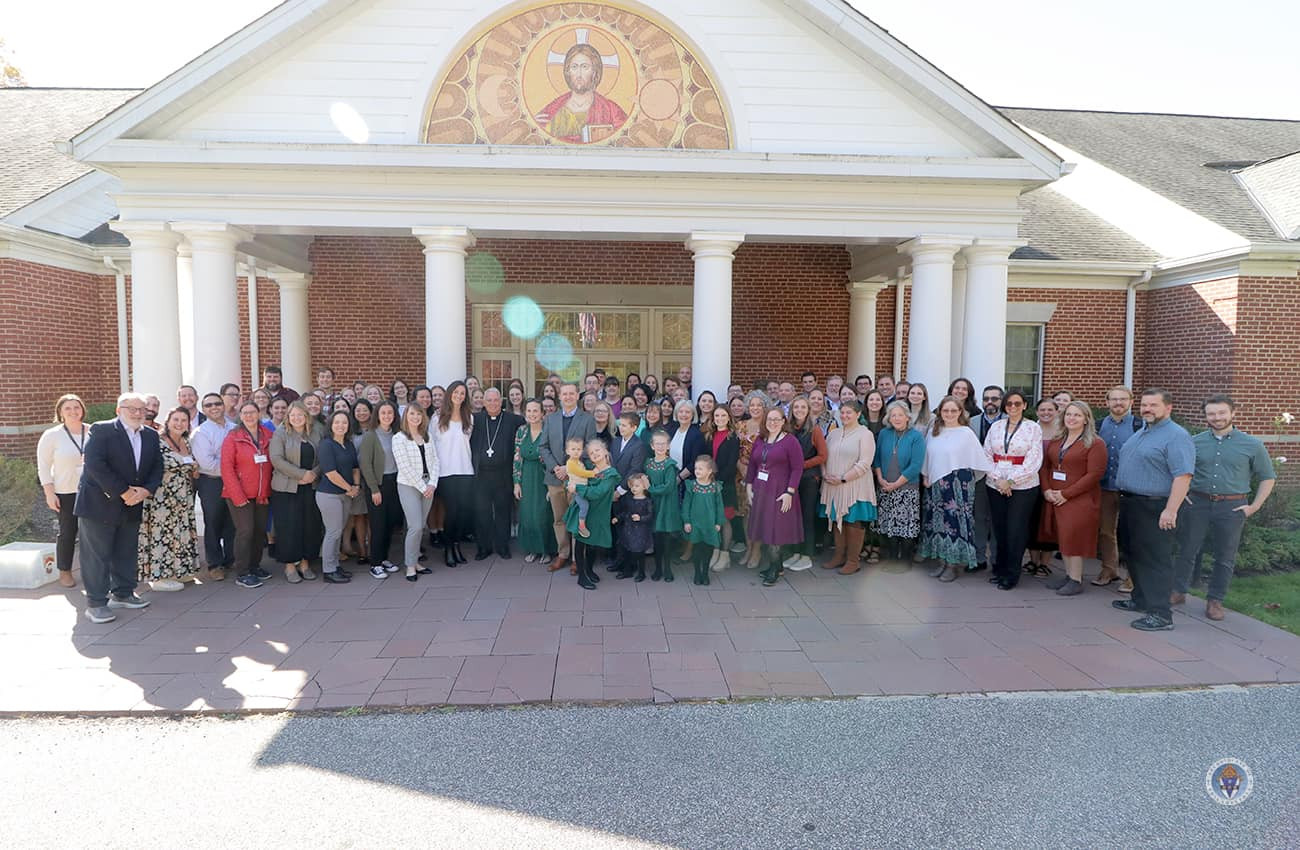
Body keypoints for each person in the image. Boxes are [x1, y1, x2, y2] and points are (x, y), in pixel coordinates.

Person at [1172, 394, 1275, 621]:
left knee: (1225, 556)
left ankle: (1215, 600)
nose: (1216, 417)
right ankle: (1178, 591)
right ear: (1205, 416)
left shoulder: (1252, 444)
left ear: (1232, 413)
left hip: (1232, 506)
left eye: (1221, 413)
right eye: (1211, 413)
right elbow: (1181, 471)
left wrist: (1254, 506)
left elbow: (1267, 477)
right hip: (1197, 503)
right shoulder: (1195, 441)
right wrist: (1183, 496)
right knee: (1187, 549)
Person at [1112, 389, 1196, 631]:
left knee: (1155, 559)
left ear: (1168, 408)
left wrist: (1171, 510)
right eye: (1144, 404)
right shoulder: (1144, 431)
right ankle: (1140, 599)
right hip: (1131, 503)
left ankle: (1160, 613)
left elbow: (1183, 476)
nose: (1147, 409)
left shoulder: (1176, 436)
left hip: (1155, 505)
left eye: (1153, 405)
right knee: (1132, 554)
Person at [74, 393, 162, 623]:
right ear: (118, 410)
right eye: (130, 408)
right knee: (97, 555)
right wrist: (123, 492)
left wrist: (145, 491)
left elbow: (156, 467)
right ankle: (96, 603)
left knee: (126, 551)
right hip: (99, 504)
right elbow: (95, 464)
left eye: (141, 409)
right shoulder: (101, 430)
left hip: (133, 503)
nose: (136, 413)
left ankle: (123, 593)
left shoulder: (151, 435)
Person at [1039, 401, 1107, 596]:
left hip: (1078, 499)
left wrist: (1065, 494)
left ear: (1086, 419)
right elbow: (1046, 467)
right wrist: (1047, 490)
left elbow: (1094, 475)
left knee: (1073, 538)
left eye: (1077, 415)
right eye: (1069, 414)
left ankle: (1076, 580)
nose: (1072, 418)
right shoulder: (1058, 439)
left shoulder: (1095, 443)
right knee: (1063, 537)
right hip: (1055, 495)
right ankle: (1068, 576)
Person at [919, 397, 991, 582]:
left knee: (955, 524)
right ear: (940, 412)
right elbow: (927, 456)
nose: (949, 414)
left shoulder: (966, 433)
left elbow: (978, 460)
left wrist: (965, 482)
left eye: (953, 410)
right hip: (936, 484)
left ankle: (953, 565)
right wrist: (926, 475)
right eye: (945, 411)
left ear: (960, 412)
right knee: (938, 523)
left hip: (958, 484)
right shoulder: (934, 432)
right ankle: (942, 561)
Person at [983, 391, 1043, 591]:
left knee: (1015, 529)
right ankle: (999, 569)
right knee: (1000, 528)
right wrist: (999, 480)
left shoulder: (1033, 428)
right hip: (996, 483)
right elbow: (986, 454)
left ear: (1025, 405)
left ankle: (1011, 574)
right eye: (1009, 404)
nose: (1013, 407)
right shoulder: (996, 426)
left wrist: (1011, 481)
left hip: (1023, 485)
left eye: (1017, 403)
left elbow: (1034, 460)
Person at [137, 406, 201, 591]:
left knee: (179, 532)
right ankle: (159, 577)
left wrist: (194, 468)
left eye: (183, 420)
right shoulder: (156, 440)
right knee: (161, 534)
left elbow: (189, 465)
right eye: (176, 419)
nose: (179, 423)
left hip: (183, 496)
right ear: (168, 421)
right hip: (161, 497)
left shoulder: (186, 442)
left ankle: (178, 570)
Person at [745, 406, 805, 587]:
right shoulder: (761, 439)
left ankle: (774, 568)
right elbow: (752, 465)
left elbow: (797, 468)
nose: (772, 422)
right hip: (761, 490)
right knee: (765, 528)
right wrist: (749, 486)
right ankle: (777, 566)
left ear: (783, 421)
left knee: (775, 531)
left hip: (780, 492)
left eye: (776, 419)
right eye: (769, 419)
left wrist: (790, 492)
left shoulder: (790, 441)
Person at [1095, 386, 1145, 590]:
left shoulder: (1140, 426)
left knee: (1131, 533)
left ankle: (1133, 576)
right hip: (1105, 486)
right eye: (1114, 399)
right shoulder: (1098, 426)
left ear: (1131, 402)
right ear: (1107, 402)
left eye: (1123, 399)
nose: (1118, 403)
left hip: (1130, 488)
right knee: (1106, 532)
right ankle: (1109, 570)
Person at [819, 400, 877, 575]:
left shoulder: (865, 434)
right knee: (837, 520)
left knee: (852, 521)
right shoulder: (833, 434)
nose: (844, 416)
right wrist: (824, 473)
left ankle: (853, 560)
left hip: (854, 486)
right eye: (842, 412)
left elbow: (865, 462)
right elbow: (824, 456)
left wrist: (844, 478)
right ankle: (839, 556)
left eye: (849, 413)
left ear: (858, 414)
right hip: (833, 486)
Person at [37, 394, 89, 588]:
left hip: (91, 491)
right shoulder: (52, 435)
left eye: (77, 407)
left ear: (82, 409)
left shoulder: (93, 431)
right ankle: (65, 571)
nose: (73, 411)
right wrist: (49, 493)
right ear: (60, 412)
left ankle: (92, 570)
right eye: (68, 408)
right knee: (68, 532)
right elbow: (43, 466)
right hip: (65, 491)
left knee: (92, 533)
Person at [221, 402, 274, 589]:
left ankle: (254, 565)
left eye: (252, 412)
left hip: (262, 494)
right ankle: (242, 572)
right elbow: (226, 468)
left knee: (260, 532)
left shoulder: (268, 435)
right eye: (245, 413)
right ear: (240, 416)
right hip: (239, 494)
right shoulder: (233, 437)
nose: (249, 416)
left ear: (258, 413)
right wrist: (238, 496)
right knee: (245, 531)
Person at [269, 401, 323, 584]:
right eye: (293, 415)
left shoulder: (316, 432)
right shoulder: (281, 433)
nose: (296, 418)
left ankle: (305, 564)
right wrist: (300, 474)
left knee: (309, 526)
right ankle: (290, 566)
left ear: (306, 416)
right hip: (287, 488)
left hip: (311, 486)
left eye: (300, 415)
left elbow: (323, 456)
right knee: (289, 528)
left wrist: (313, 474)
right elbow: (276, 459)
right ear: (288, 417)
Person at [470, 388, 522, 560]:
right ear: (483, 402)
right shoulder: (475, 420)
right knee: (481, 512)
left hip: (503, 474)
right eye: (489, 400)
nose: (493, 403)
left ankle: (502, 546)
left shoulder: (513, 420)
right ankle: (483, 547)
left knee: (503, 511)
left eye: (496, 400)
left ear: (501, 401)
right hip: (481, 476)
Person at [191, 392, 237, 580]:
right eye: (209, 405)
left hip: (234, 482)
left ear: (223, 405)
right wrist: (233, 469)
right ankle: (214, 564)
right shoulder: (201, 433)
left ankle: (230, 559)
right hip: (212, 482)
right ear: (204, 410)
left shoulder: (235, 428)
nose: (214, 407)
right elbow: (207, 463)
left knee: (232, 521)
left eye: (217, 403)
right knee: (213, 522)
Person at [873, 401, 925, 563]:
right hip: (885, 486)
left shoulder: (915, 436)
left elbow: (916, 465)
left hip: (906, 489)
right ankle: (893, 559)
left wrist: (895, 485)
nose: (897, 418)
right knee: (889, 524)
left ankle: (905, 561)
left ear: (907, 417)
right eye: (893, 415)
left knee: (905, 527)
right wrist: (881, 479)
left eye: (900, 415)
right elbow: (877, 459)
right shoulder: (884, 434)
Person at [565, 439, 620, 589]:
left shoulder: (610, 474)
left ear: (605, 451)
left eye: (597, 450)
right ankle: (582, 576)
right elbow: (571, 478)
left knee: (592, 543)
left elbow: (597, 493)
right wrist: (571, 485)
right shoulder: (587, 468)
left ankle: (589, 569)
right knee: (581, 542)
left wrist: (576, 488)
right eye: (591, 452)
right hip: (583, 511)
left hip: (598, 512)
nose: (595, 454)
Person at [393, 402, 438, 582]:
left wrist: (432, 484)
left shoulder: (427, 436)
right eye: (412, 414)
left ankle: (417, 561)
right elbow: (404, 466)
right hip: (409, 485)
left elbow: (436, 460)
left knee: (422, 525)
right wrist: (423, 487)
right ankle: (410, 565)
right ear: (406, 416)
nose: (415, 417)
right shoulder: (399, 438)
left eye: (419, 414)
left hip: (429, 485)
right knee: (416, 526)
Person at [359, 401, 403, 577]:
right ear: (377, 415)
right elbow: (365, 464)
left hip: (395, 482)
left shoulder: (398, 434)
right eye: (383, 413)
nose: (387, 416)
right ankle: (375, 563)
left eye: (390, 413)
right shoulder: (371, 436)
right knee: (378, 525)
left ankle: (384, 558)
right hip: (377, 484)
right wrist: (374, 489)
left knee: (390, 523)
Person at [434, 381, 475, 568]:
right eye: (456, 392)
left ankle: (457, 546)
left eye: (462, 393)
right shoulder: (438, 418)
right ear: (450, 394)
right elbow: (432, 447)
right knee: (451, 512)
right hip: (446, 472)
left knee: (463, 512)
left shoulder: (469, 418)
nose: (459, 395)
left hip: (465, 470)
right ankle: (448, 548)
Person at [785, 396, 827, 572]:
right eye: (796, 407)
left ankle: (806, 555)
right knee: (793, 517)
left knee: (807, 517)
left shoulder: (814, 430)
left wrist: (802, 465)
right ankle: (796, 551)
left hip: (809, 479)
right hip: (791, 479)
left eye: (803, 407)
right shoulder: (787, 429)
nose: (799, 410)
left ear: (808, 409)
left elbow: (823, 456)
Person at [317, 410, 359, 584]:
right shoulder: (326, 444)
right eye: (337, 422)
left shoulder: (348, 444)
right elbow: (331, 473)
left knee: (338, 531)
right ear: (331, 425)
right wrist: (349, 488)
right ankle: (328, 570)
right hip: (329, 495)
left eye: (344, 422)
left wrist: (356, 486)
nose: (341, 426)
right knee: (332, 532)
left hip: (346, 494)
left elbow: (355, 467)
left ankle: (335, 565)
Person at [513, 399, 557, 565]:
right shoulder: (521, 431)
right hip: (526, 477)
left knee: (543, 515)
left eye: (535, 411)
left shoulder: (549, 431)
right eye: (529, 411)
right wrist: (516, 482)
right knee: (527, 515)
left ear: (542, 413)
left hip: (543, 477)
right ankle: (532, 549)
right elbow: (516, 458)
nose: (532, 414)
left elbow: (553, 458)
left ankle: (546, 550)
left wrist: (551, 483)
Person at [968, 385, 1004, 574]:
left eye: (994, 398)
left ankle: (997, 559)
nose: (990, 402)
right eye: (986, 398)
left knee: (998, 518)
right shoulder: (972, 422)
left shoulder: (1009, 421)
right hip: (979, 477)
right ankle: (979, 557)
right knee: (979, 518)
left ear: (1001, 401)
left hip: (1002, 478)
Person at [1025, 397, 1062, 577]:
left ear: (1057, 411)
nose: (1046, 413)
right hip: (1030, 480)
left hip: (1054, 482)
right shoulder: (1031, 429)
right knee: (1032, 520)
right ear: (1037, 412)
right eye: (1042, 410)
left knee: (1049, 523)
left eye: (1050, 410)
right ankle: (1032, 560)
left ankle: (1045, 563)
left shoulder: (1063, 431)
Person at [703, 405, 742, 569]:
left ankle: (725, 555)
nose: (719, 418)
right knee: (713, 519)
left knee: (724, 519)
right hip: (709, 482)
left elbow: (731, 464)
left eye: (723, 415)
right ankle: (716, 551)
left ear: (729, 417)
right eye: (716, 415)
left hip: (725, 484)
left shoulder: (733, 438)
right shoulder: (709, 435)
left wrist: (717, 480)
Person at [682, 456, 726, 586]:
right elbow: (686, 505)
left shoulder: (715, 487)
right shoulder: (692, 486)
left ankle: (705, 573)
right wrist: (687, 521)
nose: (697, 471)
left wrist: (718, 522)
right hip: (696, 524)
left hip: (710, 524)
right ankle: (697, 573)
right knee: (697, 549)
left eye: (700, 469)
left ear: (709, 471)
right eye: (696, 468)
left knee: (708, 549)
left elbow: (719, 506)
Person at [645, 430, 682, 582]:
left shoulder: (670, 465)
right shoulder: (648, 464)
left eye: (663, 444)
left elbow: (668, 487)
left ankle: (667, 568)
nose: (660, 446)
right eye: (657, 444)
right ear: (652, 446)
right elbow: (645, 478)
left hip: (666, 505)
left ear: (668, 446)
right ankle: (658, 567)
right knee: (656, 538)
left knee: (666, 538)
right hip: (654, 505)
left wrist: (650, 489)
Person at [736, 391, 768, 567]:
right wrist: (741, 469)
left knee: (759, 515)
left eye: (759, 405)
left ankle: (757, 551)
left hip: (762, 477)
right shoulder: (740, 425)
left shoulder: (768, 426)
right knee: (746, 515)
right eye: (752, 405)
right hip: (741, 476)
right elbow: (735, 451)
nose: (755, 408)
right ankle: (749, 548)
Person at [343, 400, 374, 565]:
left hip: (374, 479)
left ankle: (374, 549)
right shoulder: (350, 432)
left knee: (373, 516)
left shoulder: (376, 429)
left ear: (370, 411)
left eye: (365, 410)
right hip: (357, 479)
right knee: (360, 516)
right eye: (358, 410)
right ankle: (363, 551)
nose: (361, 413)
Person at [613, 473, 654, 581]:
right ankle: (627, 571)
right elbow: (626, 512)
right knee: (626, 550)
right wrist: (618, 518)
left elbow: (650, 516)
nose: (633, 488)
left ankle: (641, 572)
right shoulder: (629, 499)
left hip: (641, 531)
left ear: (644, 486)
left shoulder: (647, 501)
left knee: (639, 553)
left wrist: (640, 518)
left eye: (637, 486)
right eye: (632, 486)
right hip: (628, 529)